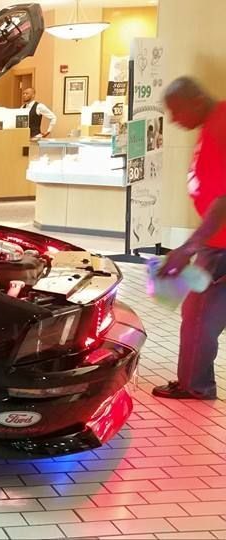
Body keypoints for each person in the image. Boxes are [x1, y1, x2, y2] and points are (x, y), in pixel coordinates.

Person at [152, 77, 226, 400]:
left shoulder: (220, 126)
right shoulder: (212, 123)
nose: (173, 119)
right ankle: (195, 382)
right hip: (215, 244)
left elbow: (223, 199)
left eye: (176, 111)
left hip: (220, 246)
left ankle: (195, 386)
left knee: (199, 313)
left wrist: (189, 247)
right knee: (199, 312)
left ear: (195, 100)